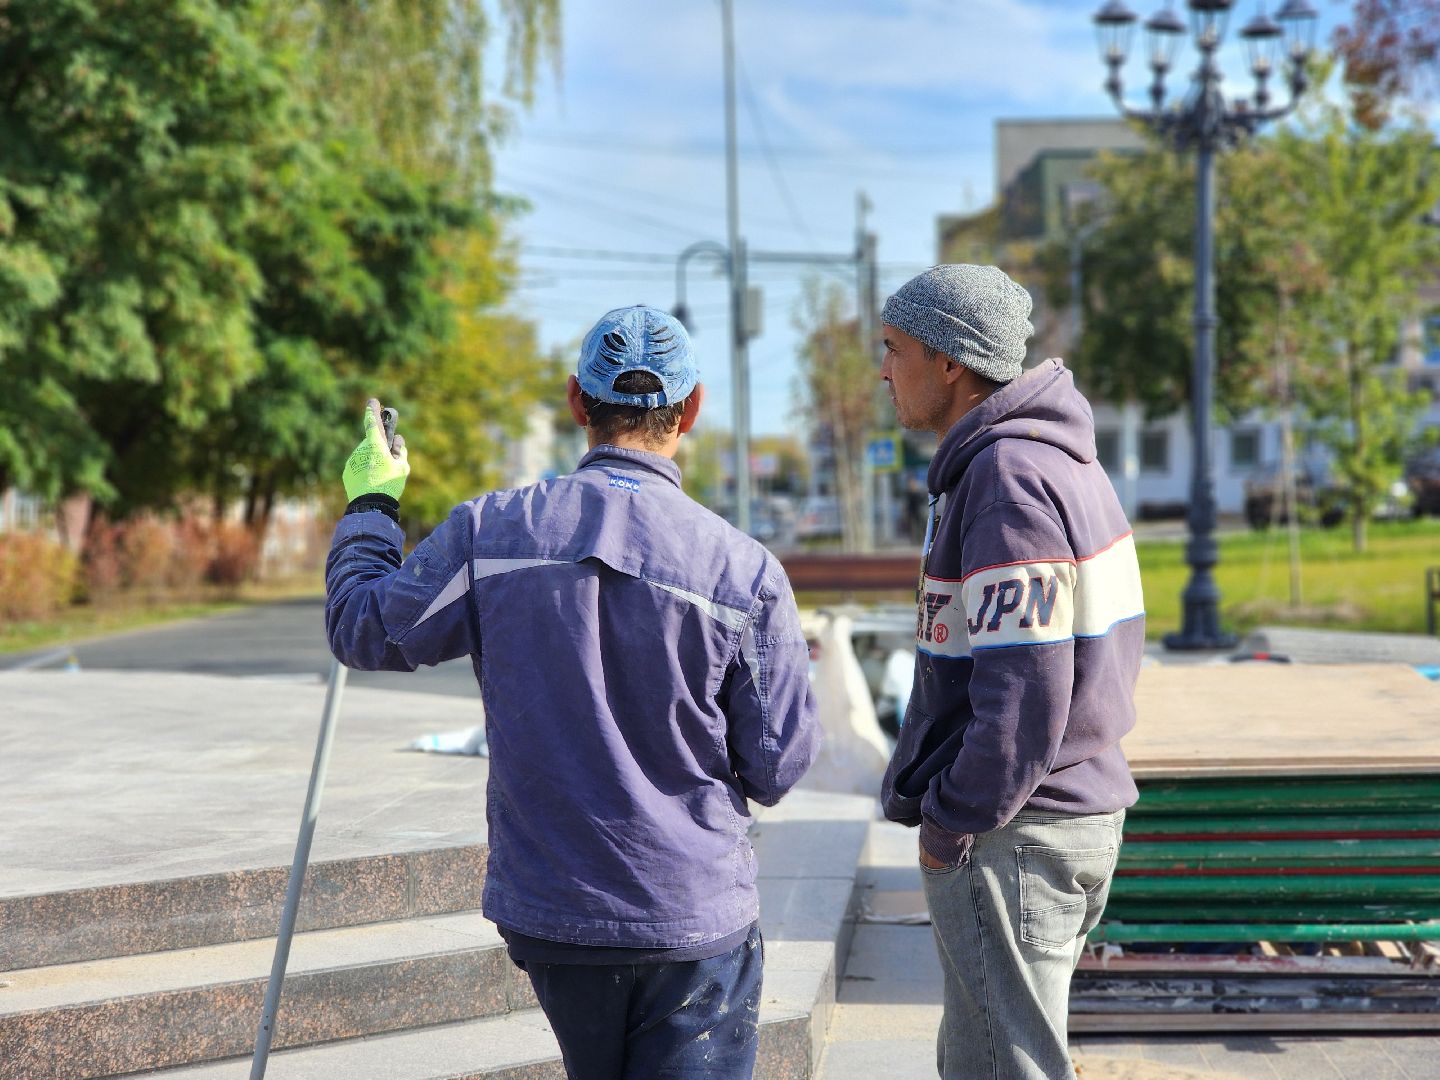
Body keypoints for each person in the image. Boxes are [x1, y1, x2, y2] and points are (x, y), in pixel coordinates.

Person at [325, 304, 821, 1079]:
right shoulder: (742, 572)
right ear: (692, 409)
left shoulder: (488, 533)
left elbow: (364, 626)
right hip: (689, 914)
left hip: (554, 916)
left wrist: (372, 505)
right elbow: (779, 764)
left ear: (576, 403)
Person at [877, 266, 1145, 1080]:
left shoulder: (1006, 481)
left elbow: (1025, 699)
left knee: (1003, 1067)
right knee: (984, 1057)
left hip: (1013, 834)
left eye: (893, 350)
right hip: (1057, 815)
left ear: (950, 361)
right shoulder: (1053, 463)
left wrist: (951, 823)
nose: (883, 370)